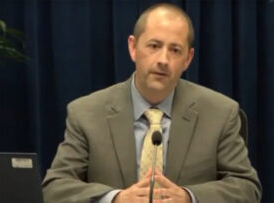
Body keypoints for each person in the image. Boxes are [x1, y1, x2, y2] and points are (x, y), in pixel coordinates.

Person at [42, 3, 262, 203]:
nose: (163, 60)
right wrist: (114, 199)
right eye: (154, 46)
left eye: (175, 50)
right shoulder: (86, 113)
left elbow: (246, 187)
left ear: (188, 59)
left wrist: (189, 197)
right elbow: (56, 187)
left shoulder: (220, 113)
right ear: (133, 48)